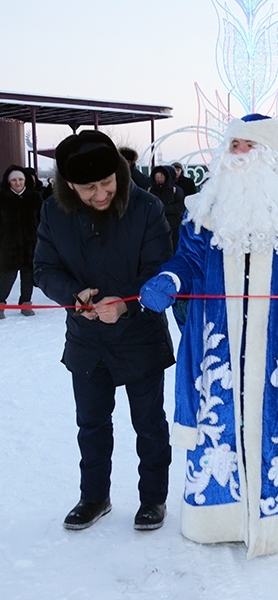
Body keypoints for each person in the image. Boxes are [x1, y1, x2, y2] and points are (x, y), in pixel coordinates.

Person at [139, 114, 278, 558]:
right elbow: (190, 260)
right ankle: (215, 518)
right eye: (232, 146)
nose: (237, 156)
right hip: (218, 342)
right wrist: (170, 280)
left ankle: (277, 520)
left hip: (277, 343)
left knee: (274, 426)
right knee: (216, 425)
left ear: (270, 155)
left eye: (247, 147)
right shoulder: (204, 211)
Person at [33, 130, 175, 532]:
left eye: (106, 183)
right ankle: (94, 497)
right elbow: (44, 268)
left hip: (139, 337)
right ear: (68, 186)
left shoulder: (146, 208)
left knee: (149, 425)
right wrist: (73, 296)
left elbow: (161, 270)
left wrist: (127, 304)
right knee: (91, 424)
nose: (99, 194)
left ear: (118, 172)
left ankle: (153, 499)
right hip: (86, 341)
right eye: (87, 188)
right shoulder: (53, 212)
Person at [0, 165, 42, 318]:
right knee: (6, 277)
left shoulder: (34, 198)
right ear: (8, 182)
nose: (18, 183)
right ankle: (0, 305)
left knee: (28, 277)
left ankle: (26, 304)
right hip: (8, 246)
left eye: (20, 179)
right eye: (14, 180)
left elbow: (41, 221)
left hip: (31, 245)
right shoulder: (2, 198)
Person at [148, 165, 186, 250]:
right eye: (157, 176)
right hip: (155, 227)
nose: (159, 179)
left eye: (161, 176)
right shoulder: (150, 190)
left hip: (173, 226)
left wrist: (161, 208)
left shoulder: (175, 190)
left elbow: (179, 207)